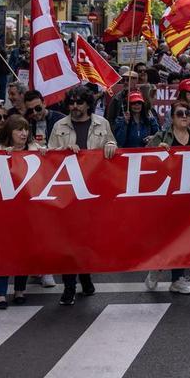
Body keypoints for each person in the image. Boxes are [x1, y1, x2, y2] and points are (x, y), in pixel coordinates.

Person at [48, 87, 117, 306]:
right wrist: (63, 151)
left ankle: (85, 277)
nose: (75, 106)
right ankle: (69, 287)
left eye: (79, 102)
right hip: (67, 191)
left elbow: (112, 144)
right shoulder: (60, 126)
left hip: (93, 190)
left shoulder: (101, 124)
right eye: (71, 102)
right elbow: (49, 156)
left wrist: (111, 145)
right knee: (67, 241)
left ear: (88, 103)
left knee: (85, 239)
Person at [140, 104, 190, 295]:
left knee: (183, 238)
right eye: (180, 114)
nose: (184, 116)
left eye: (188, 113)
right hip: (166, 196)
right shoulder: (162, 136)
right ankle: (157, 267)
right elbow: (144, 159)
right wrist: (156, 150)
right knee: (166, 237)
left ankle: (178, 279)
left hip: (189, 196)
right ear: (172, 118)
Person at [0, 114, 36, 308]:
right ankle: (0, 294)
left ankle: (20, 290)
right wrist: (2, 158)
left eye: (26, 129)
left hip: (28, 212)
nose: (24, 133)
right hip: (4, 212)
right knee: (4, 252)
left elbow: (56, 158)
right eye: (19, 129)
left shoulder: (36, 151)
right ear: (9, 132)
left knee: (24, 251)